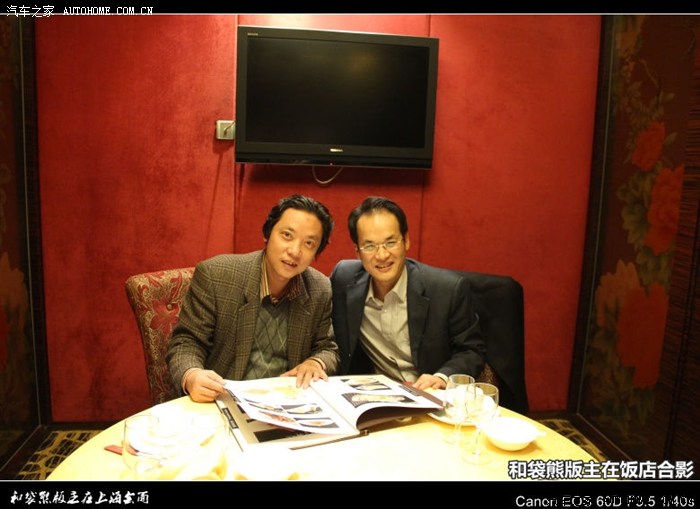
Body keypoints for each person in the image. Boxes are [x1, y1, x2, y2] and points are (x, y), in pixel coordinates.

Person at [167, 194, 339, 403]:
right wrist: (192, 375)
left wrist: (316, 363)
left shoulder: (319, 288)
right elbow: (186, 343)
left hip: (287, 403)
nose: (295, 251)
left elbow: (327, 348)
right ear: (267, 234)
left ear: (316, 253)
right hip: (223, 400)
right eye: (287, 235)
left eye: (309, 243)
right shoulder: (216, 275)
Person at [330, 196, 485, 391]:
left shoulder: (447, 290)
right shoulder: (343, 280)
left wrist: (442, 377)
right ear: (357, 252)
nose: (382, 255)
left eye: (390, 242)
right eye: (369, 246)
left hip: (430, 394)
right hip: (377, 395)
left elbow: (471, 351)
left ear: (406, 241)